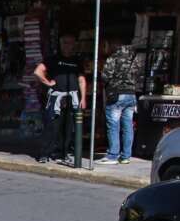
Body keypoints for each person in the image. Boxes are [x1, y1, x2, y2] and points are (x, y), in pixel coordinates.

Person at [34, 33, 87, 165]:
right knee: (51, 126)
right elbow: (38, 71)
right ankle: (44, 154)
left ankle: (63, 153)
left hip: (72, 98)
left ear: (74, 44)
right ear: (60, 44)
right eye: (64, 43)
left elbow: (81, 80)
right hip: (56, 98)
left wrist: (83, 98)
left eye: (70, 43)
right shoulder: (52, 59)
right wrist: (47, 82)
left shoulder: (77, 61)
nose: (67, 46)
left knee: (68, 128)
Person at [98, 39, 144, 165]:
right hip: (131, 95)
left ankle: (113, 155)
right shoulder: (136, 60)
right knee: (128, 126)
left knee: (113, 126)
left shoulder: (113, 58)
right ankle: (126, 156)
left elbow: (106, 76)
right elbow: (139, 77)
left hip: (116, 94)